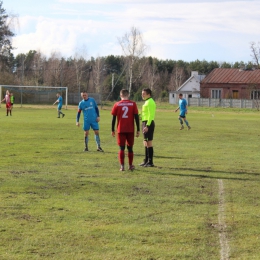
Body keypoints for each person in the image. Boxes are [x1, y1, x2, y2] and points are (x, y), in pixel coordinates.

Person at [111, 89, 140, 171]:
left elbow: (113, 118)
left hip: (120, 129)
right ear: (128, 95)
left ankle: (122, 166)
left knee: (121, 148)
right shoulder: (133, 104)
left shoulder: (117, 104)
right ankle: (130, 165)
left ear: (120, 95)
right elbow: (136, 117)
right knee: (130, 148)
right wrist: (138, 129)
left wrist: (112, 129)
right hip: (130, 129)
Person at [139, 88, 156, 167]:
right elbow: (144, 114)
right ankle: (146, 160)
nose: (142, 95)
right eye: (142, 94)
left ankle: (150, 162)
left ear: (149, 94)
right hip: (144, 122)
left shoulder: (150, 102)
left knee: (149, 142)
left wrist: (147, 126)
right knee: (145, 142)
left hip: (148, 123)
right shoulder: (146, 102)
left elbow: (151, 115)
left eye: (144, 94)